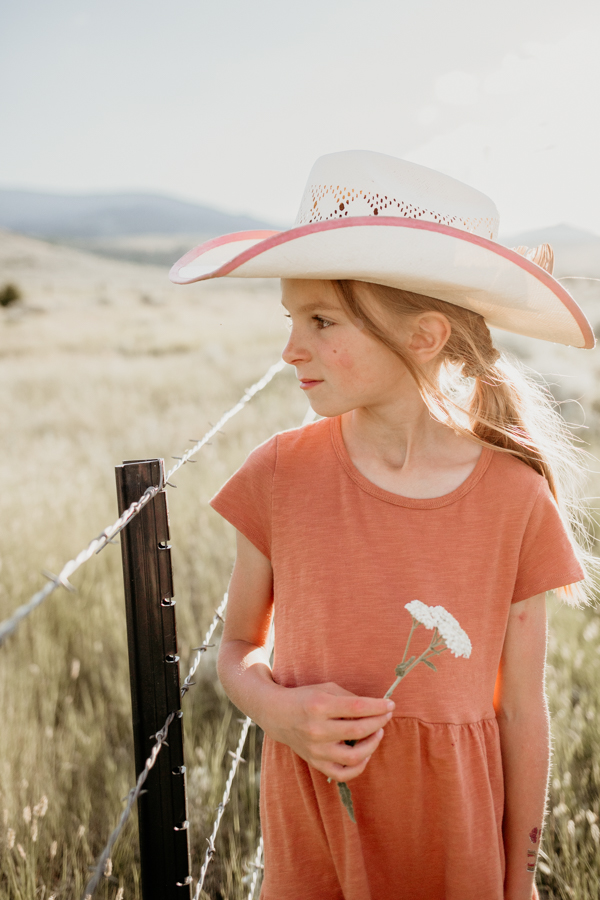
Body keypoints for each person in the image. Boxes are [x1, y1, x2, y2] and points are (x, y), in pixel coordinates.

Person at [171, 151, 597, 900]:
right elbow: (236, 647)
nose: (290, 348)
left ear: (424, 336)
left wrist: (521, 880)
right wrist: (275, 707)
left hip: (453, 850)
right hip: (316, 849)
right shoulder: (279, 476)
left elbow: (523, 713)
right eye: (291, 318)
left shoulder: (514, 499)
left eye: (321, 320)